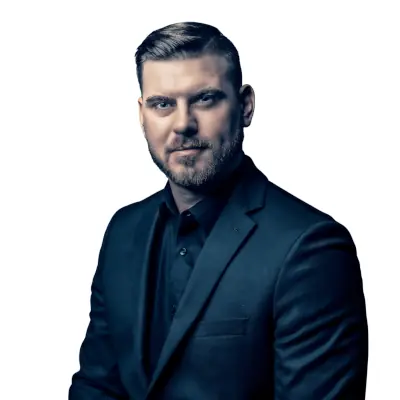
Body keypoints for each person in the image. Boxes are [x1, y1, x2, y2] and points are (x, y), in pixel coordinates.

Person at [69, 21, 368, 399]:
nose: (183, 124)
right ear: (142, 114)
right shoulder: (123, 230)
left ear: (245, 106)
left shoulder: (310, 247)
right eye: (163, 104)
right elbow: (97, 385)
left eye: (205, 99)